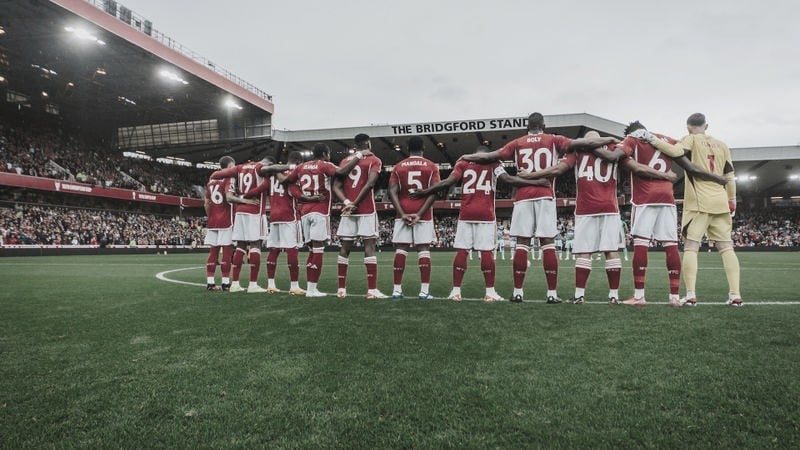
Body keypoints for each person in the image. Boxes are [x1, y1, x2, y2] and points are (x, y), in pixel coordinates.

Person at [461, 112, 618, 303]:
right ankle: (551, 294)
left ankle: (518, 292)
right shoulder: (553, 139)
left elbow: (493, 156)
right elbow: (580, 145)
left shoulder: (518, 142)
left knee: (522, 243)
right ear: (543, 125)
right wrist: (609, 138)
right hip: (545, 194)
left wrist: (466, 155)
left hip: (523, 197)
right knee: (548, 243)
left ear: (527, 126)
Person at [519, 131, 676, 304]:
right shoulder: (613, 149)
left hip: (586, 208)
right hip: (609, 207)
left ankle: (579, 295)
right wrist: (665, 176)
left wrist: (531, 175)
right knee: (611, 251)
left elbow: (558, 169)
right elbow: (637, 167)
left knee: (584, 252)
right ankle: (613, 296)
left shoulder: (578, 151)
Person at [413, 145, 549, 302]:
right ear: (487, 154)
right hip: (486, 213)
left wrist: (425, 191)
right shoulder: (494, 163)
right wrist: (536, 182)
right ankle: (489, 293)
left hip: (466, 213)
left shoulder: (463, 163)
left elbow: (448, 182)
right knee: (486, 252)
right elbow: (508, 179)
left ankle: (456, 292)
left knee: (462, 252)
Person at [633, 113, 742, 306]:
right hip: (721, 202)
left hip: (699, 203)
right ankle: (735, 295)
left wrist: (651, 138)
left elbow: (674, 152)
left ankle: (691, 295)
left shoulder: (690, 139)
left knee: (691, 247)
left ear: (688, 127)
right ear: (706, 126)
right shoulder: (722, 145)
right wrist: (731, 199)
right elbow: (730, 175)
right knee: (726, 247)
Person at [283, 143, 369, 297]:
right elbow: (342, 172)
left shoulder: (301, 167)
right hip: (320, 211)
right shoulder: (324, 165)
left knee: (311, 249)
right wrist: (358, 155)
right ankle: (312, 289)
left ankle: (310, 287)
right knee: (318, 249)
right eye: (328, 154)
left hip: (305, 213)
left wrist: (304, 196)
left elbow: (288, 182)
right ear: (324, 153)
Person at [210, 156, 288, 293]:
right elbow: (270, 169)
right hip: (255, 211)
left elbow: (216, 174)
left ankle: (234, 284)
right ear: (268, 163)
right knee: (255, 245)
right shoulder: (260, 168)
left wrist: (243, 195)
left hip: (240, 212)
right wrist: (291, 167)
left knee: (240, 246)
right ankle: (253, 284)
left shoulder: (240, 167)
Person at [332, 134, 388, 299]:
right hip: (366, 209)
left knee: (345, 248)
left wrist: (348, 203)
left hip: (349, 211)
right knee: (369, 247)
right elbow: (370, 183)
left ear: (355, 146)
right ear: (368, 143)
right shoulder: (374, 160)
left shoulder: (344, 162)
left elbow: (335, 186)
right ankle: (371, 290)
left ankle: (341, 289)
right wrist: (355, 203)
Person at [387, 136, 440, 300]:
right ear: (423, 147)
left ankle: (396, 290)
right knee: (423, 249)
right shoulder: (432, 166)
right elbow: (434, 192)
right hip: (423, 213)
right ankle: (424, 291)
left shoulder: (398, 166)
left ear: (407, 148)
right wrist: (420, 213)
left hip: (402, 211)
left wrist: (402, 213)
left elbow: (392, 192)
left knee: (401, 249)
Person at [246, 151, 306, 295]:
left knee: (274, 249)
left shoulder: (273, 173)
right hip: (289, 214)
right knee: (293, 249)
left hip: (273, 215)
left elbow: (262, 187)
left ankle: (271, 284)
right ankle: (294, 286)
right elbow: (293, 191)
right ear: (298, 161)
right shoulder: (294, 171)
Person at [202, 156, 244, 291]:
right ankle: (226, 283)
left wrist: (210, 217)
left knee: (213, 251)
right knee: (227, 251)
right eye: (233, 166)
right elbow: (229, 198)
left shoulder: (211, 181)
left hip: (213, 221)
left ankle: (210, 282)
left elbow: (206, 203)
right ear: (229, 166)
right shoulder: (229, 178)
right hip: (226, 220)